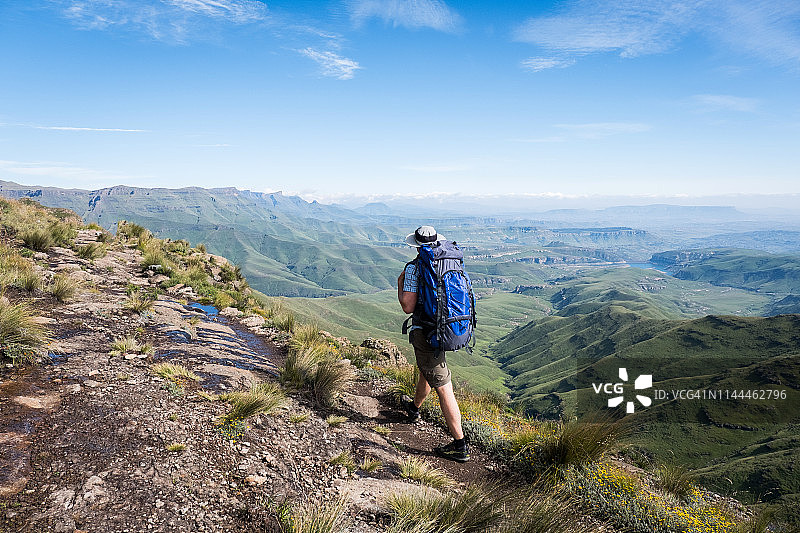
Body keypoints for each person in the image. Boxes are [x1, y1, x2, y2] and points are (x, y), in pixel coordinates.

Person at [397, 225, 469, 462]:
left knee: (443, 385)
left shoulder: (415, 268)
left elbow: (408, 306)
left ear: (416, 246)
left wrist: (401, 284)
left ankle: (460, 446)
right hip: (447, 327)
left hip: (426, 331)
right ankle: (414, 409)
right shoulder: (449, 263)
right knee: (427, 370)